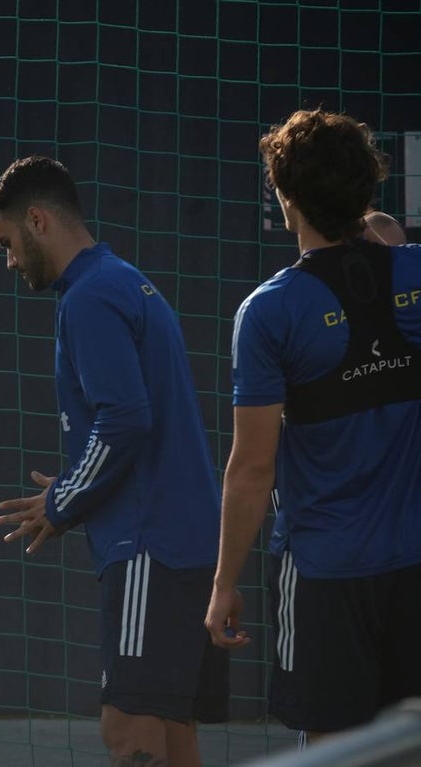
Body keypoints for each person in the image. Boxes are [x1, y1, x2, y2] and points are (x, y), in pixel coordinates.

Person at [0, 156, 228, 767]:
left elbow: (124, 419)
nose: (9, 261)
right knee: (173, 733)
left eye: (9, 243)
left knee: (128, 729)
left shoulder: (90, 295)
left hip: (150, 545)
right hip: (187, 543)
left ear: (38, 220)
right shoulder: (124, 279)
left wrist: (63, 500)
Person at [205, 108, 421, 742]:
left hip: (325, 576)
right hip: (413, 569)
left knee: (330, 754)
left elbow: (251, 468)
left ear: (286, 197)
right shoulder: (414, 272)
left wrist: (223, 586)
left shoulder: (269, 311)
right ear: (367, 186)